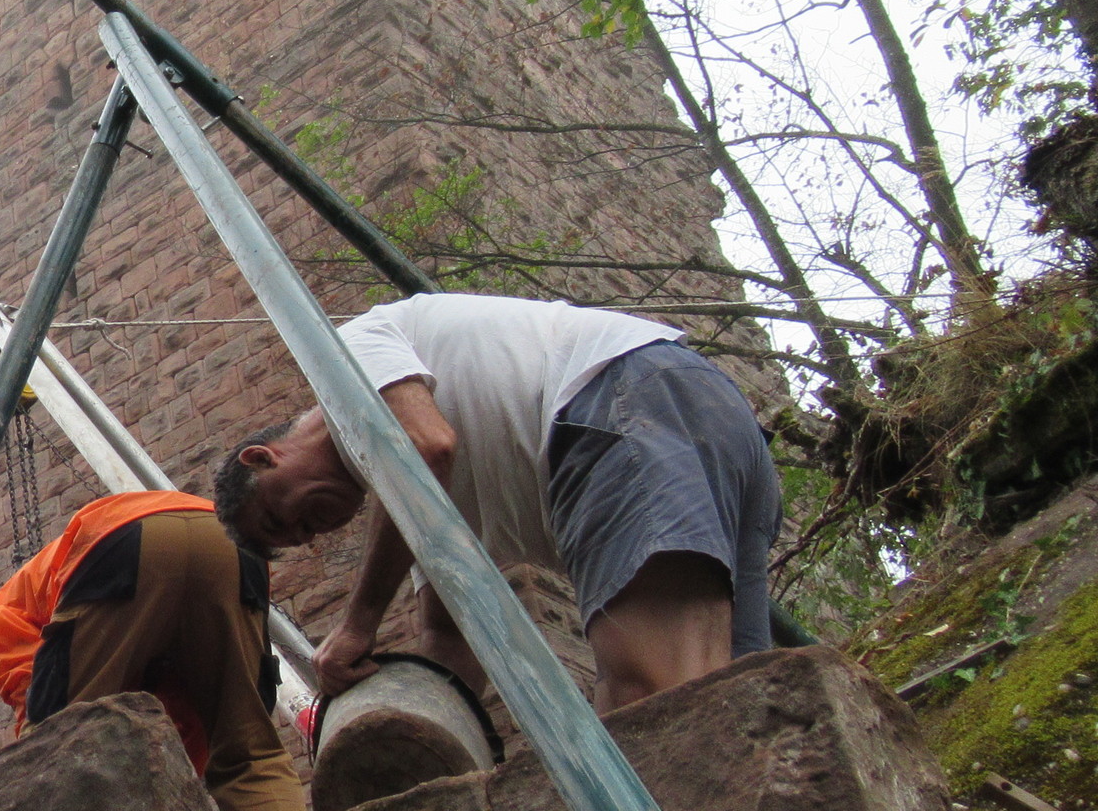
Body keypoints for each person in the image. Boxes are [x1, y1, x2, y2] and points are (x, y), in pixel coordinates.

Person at [211, 293, 782, 716]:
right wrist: (416, 729)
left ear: (262, 459)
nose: (307, 531)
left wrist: (359, 623)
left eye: (280, 518)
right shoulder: (420, 513)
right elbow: (449, 637)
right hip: (712, 425)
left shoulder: (342, 353)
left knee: (651, 706)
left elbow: (425, 447)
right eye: (302, 540)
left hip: (622, 402)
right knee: (735, 707)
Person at [0, 488, 309, 811]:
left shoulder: (14, 605)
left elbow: (15, 657)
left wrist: (38, 720)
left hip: (120, 542)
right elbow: (186, 734)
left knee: (59, 747)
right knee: (249, 755)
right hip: (227, 540)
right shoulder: (161, 674)